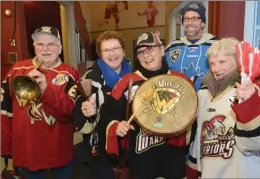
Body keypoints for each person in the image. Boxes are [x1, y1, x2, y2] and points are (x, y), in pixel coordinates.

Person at [99, 31, 196, 179]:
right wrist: (116, 127)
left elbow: (193, 120)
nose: (146, 55)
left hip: (173, 161)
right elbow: (107, 116)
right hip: (140, 162)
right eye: (140, 52)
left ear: (162, 50)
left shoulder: (182, 81)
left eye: (150, 49)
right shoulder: (126, 83)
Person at [186, 38, 260, 178]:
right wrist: (193, 167)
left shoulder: (255, 90)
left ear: (238, 60)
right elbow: (199, 136)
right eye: (212, 64)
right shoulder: (203, 92)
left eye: (222, 62)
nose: (216, 69)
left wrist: (250, 105)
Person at [1, 26, 80, 179]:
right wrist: (6, 146)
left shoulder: (70, 73)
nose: (45, 49)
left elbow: (71, 112)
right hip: (27, 150)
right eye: (40, 44)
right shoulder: (17, 69)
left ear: (60, 48)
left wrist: (45, 89)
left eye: (51, 44)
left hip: (59, 150)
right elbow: (4, 110)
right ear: (34, 47)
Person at [73, 30, 132, 179]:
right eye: (106, 50)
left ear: (123, 51)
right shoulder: (90, 78)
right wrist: (87, 112)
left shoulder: (133, 76)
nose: (112, 54)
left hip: (128, 145)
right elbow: (76, 112)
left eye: (115, 48)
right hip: (101, 150)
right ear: (100, 54)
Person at [165, 1, 217, 91]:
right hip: (178, 101)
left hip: (209, 101)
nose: (189, 23)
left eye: (194, 19)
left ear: (203, 23)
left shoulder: (217, 45)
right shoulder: (172, 47)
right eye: (186, 19)